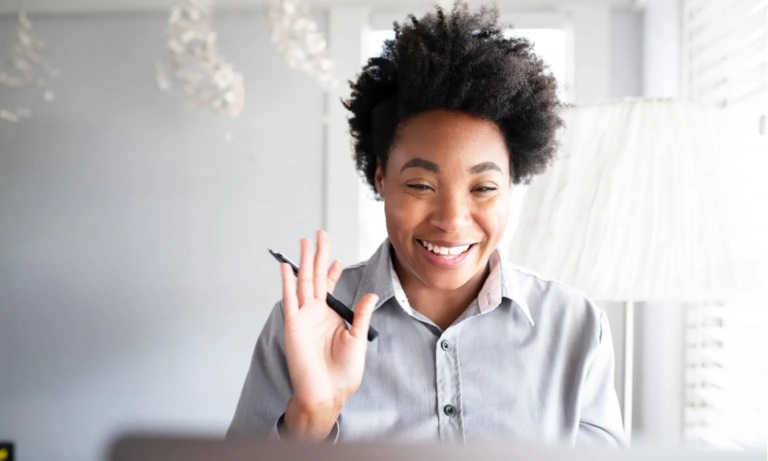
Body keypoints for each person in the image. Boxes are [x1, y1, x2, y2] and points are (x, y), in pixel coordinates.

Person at [228, 1, 625, 446]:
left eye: (483, 188)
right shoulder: (305, 322)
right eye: (420, 185)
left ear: (513, 184)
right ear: (381, 177)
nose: (452, 220)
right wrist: (311, 417)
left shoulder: (574, 325)